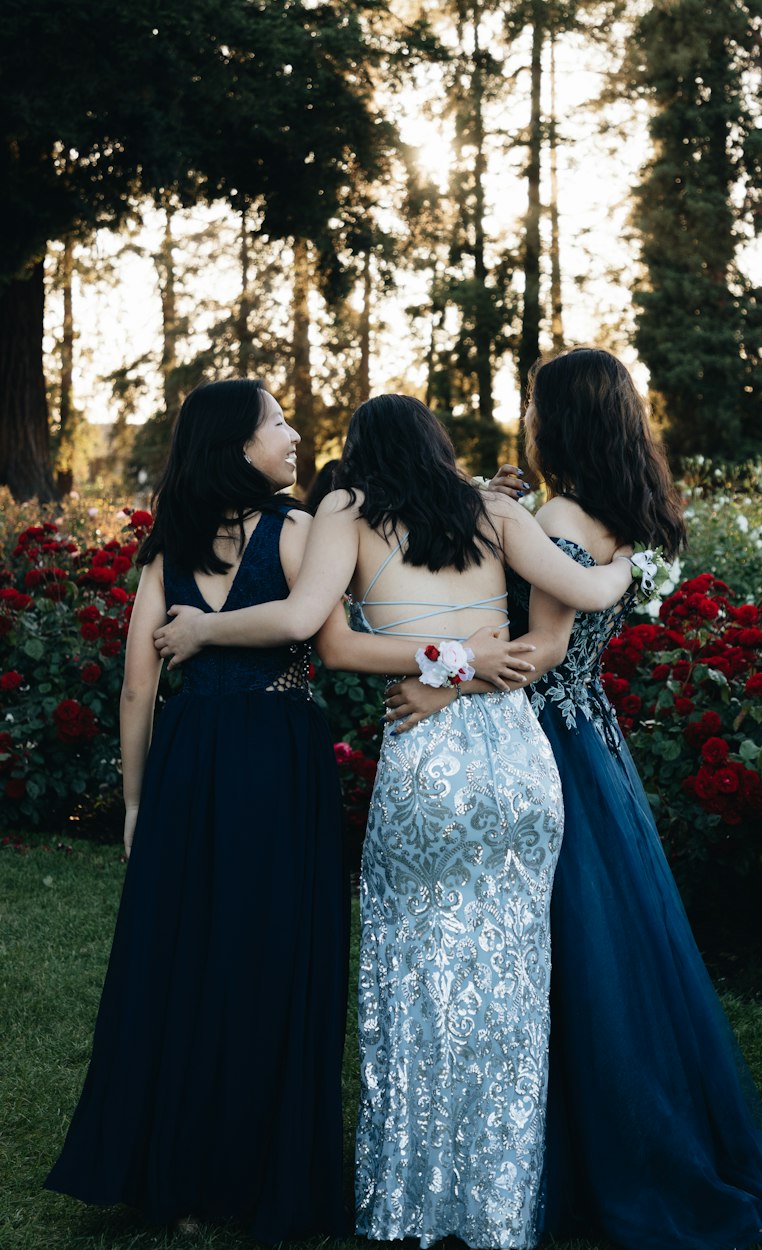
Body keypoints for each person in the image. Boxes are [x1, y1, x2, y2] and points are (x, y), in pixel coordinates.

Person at [386, 348, 762, 1250]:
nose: (523, 415)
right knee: (604, 951)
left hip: (549, 742)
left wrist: (439, 683)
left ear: (559, 418)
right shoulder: (608, 512)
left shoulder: (558, 514)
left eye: (531, 402)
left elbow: (546, 652)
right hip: (595, 738)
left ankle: (576, 1155)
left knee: (565, 955)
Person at [151, 393, 636, 1250]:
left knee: (412, 979)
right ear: (438, 446)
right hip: (521, 766)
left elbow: (329, 644)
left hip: (430, 759)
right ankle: (498, 1211)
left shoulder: (346, 509)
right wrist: (626, 556)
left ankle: (411, 1202)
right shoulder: (494, 509)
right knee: (513, 992)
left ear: (360, 454)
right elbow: (589, 590)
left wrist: (440, 666)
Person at [45, 380, 350, 1244]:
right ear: (239, 444)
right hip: (281, 758)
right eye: (279, 422)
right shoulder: (295, 534)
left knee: (184, 960)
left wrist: (137, 803)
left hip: (190, 762)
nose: (293, 435)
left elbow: (139, 688)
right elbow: (313, 624)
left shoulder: (166, 550)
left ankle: (172, 1178)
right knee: (273, 956)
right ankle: (259, 1175)